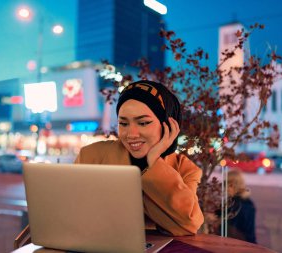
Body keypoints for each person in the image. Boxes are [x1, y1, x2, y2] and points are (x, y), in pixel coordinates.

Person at [75, 80, 204, 236]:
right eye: (123, 123)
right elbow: (71, 214)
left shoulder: (186, 170)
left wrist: (153, 162)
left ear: (168, 125)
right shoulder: (91, 156)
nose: (131, 134)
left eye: (143, 123)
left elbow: (188, 225)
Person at [225, 169, 257, 243]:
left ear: (235, 185)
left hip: (241, 245)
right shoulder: (245, 202)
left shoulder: (238, 204)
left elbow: (231, 229)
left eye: (227, 184)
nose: (225, 188)